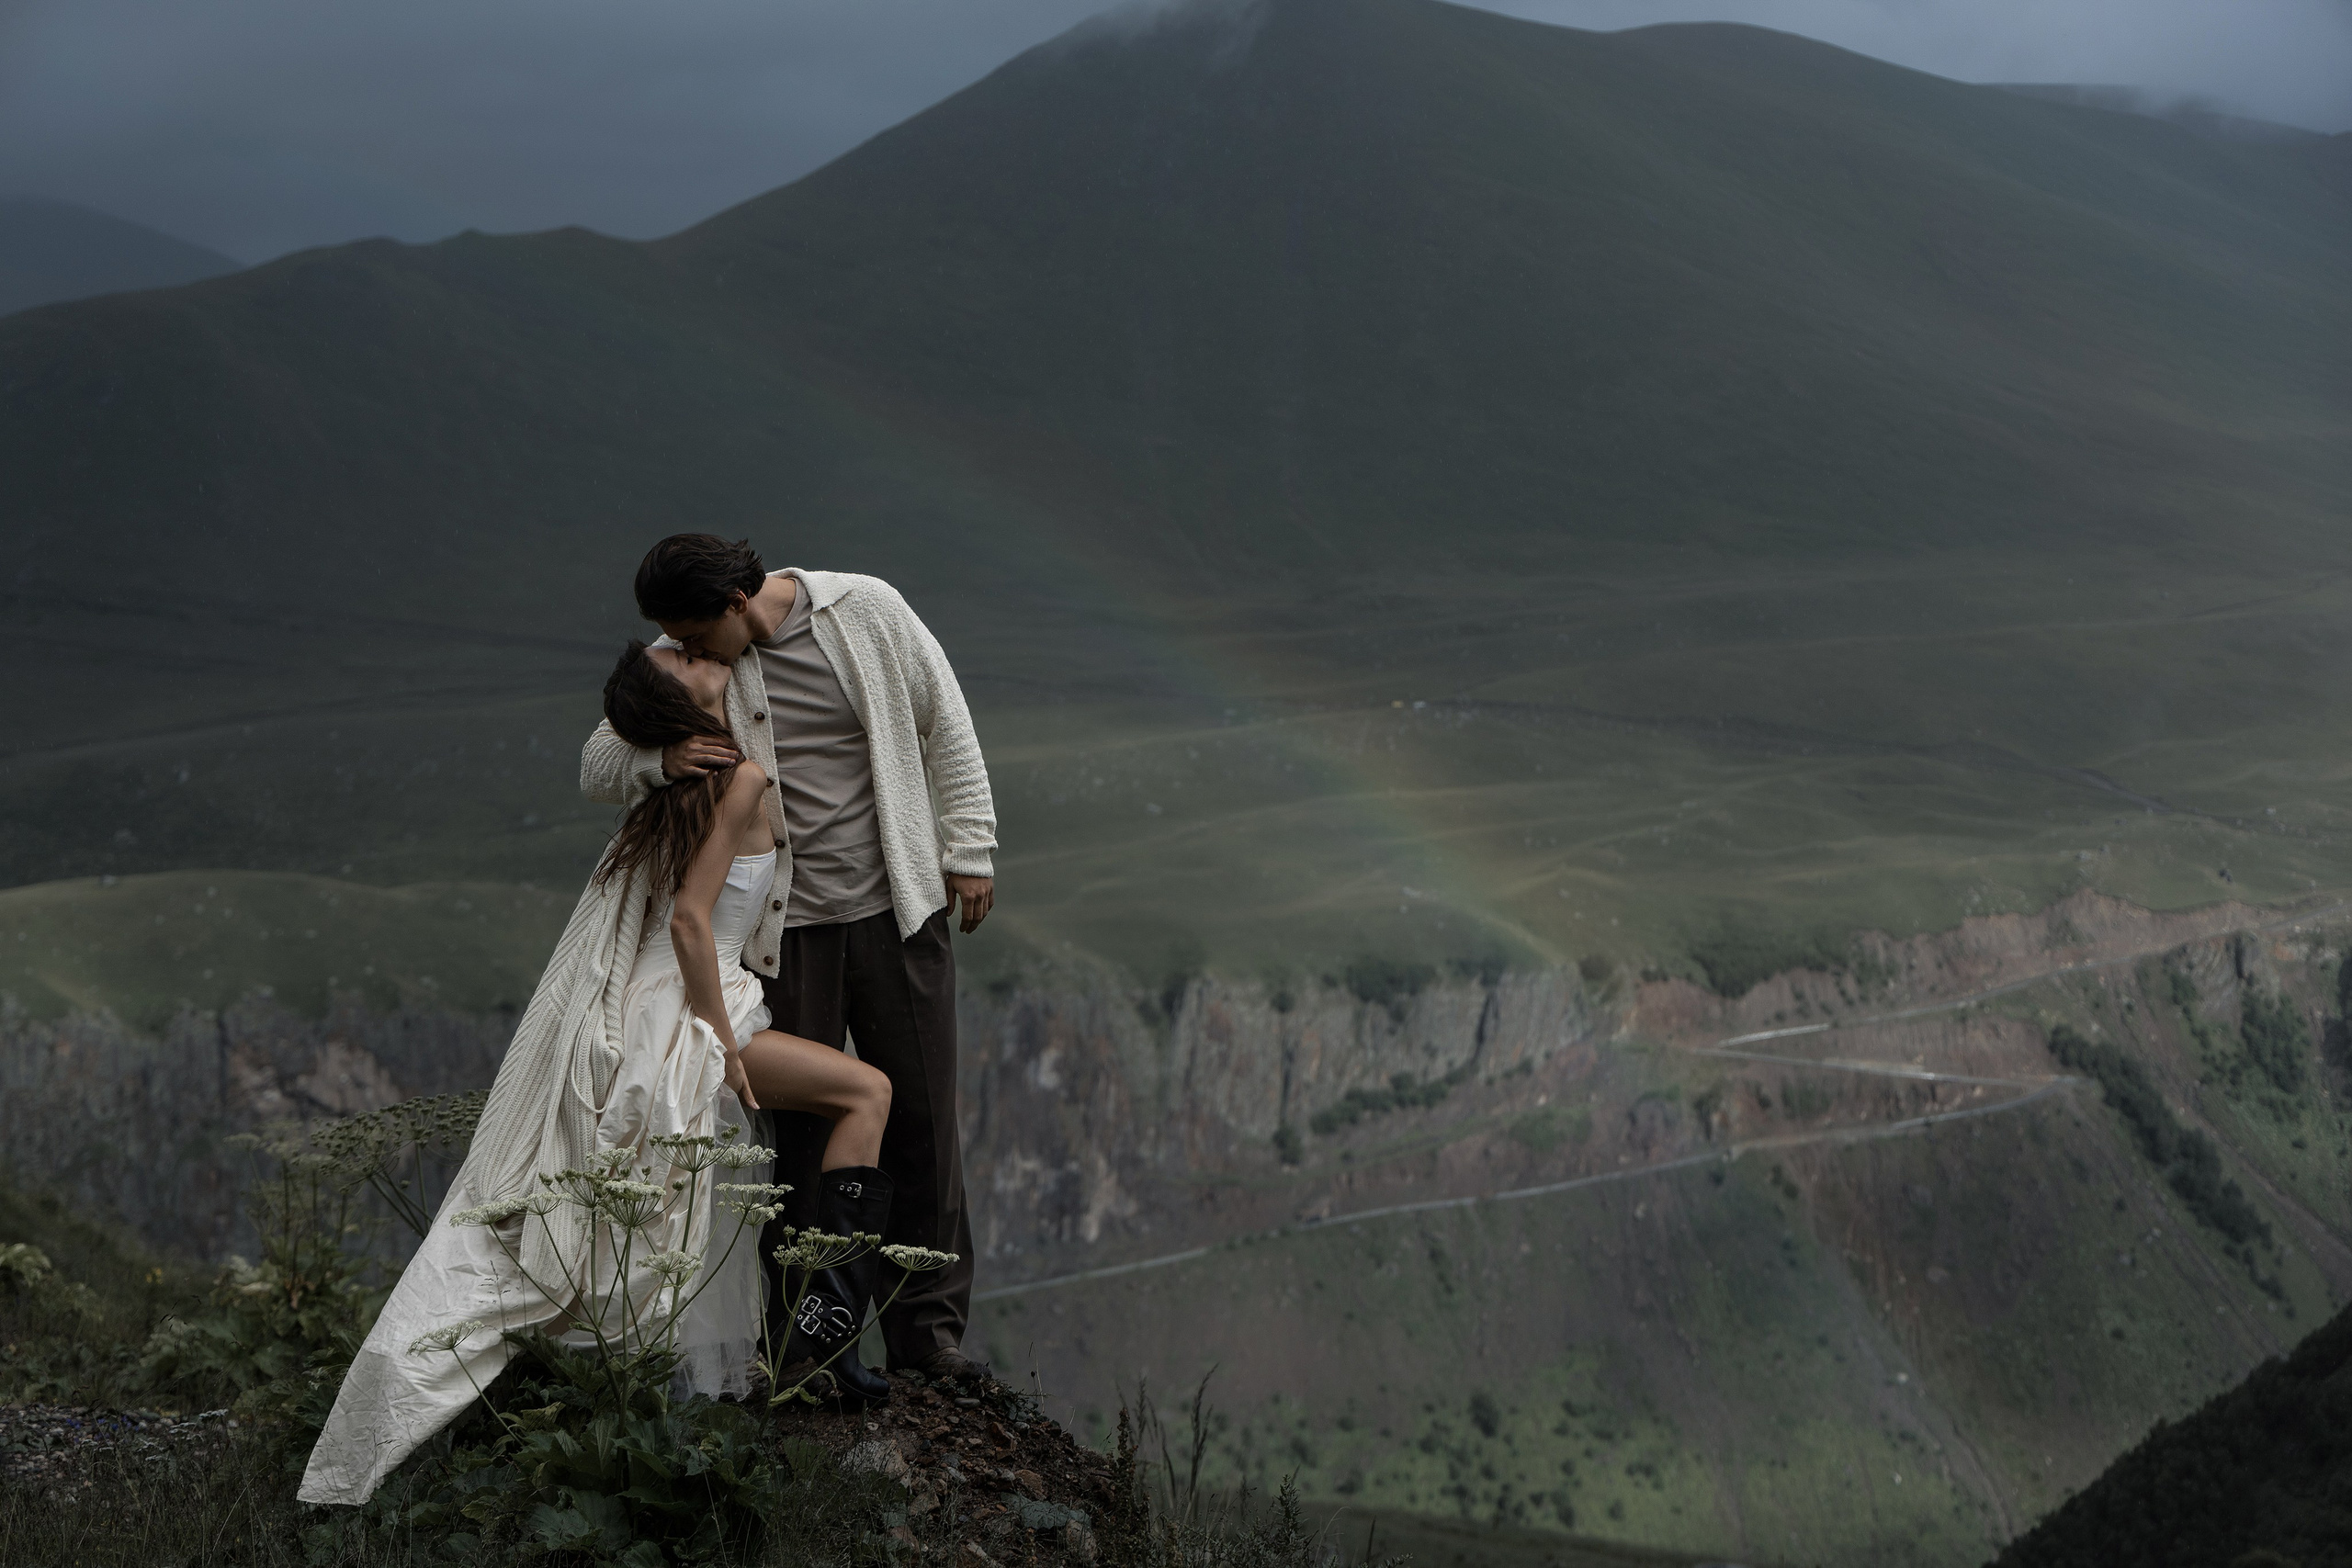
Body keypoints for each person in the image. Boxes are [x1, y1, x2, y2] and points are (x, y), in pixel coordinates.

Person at [298, 641, 894, 1506]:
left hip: (653, 1000)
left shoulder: (671, 782)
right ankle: (824, 1339)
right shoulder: (737, 778)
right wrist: (722, 1042)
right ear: (671, 710)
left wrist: (656, 747)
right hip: (689, 1002)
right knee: (865, 1091)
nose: (694, 653)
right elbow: (692, 920)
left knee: (645, 1219)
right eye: (682, 658)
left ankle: (789, 1346)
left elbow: (628, 766)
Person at [580, 535, 997, 1391]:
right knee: (796, 1145)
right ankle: (803, 1343)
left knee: (922, 1124)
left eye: (693, 636)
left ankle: (929, 1336)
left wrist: (971, 848)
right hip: (783, 933)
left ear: (737, 604)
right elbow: (598, 760)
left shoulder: (864, 610)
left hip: (897, 909)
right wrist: (660, 760)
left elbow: (942, 716)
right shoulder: (689, 659)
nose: (683, 653)